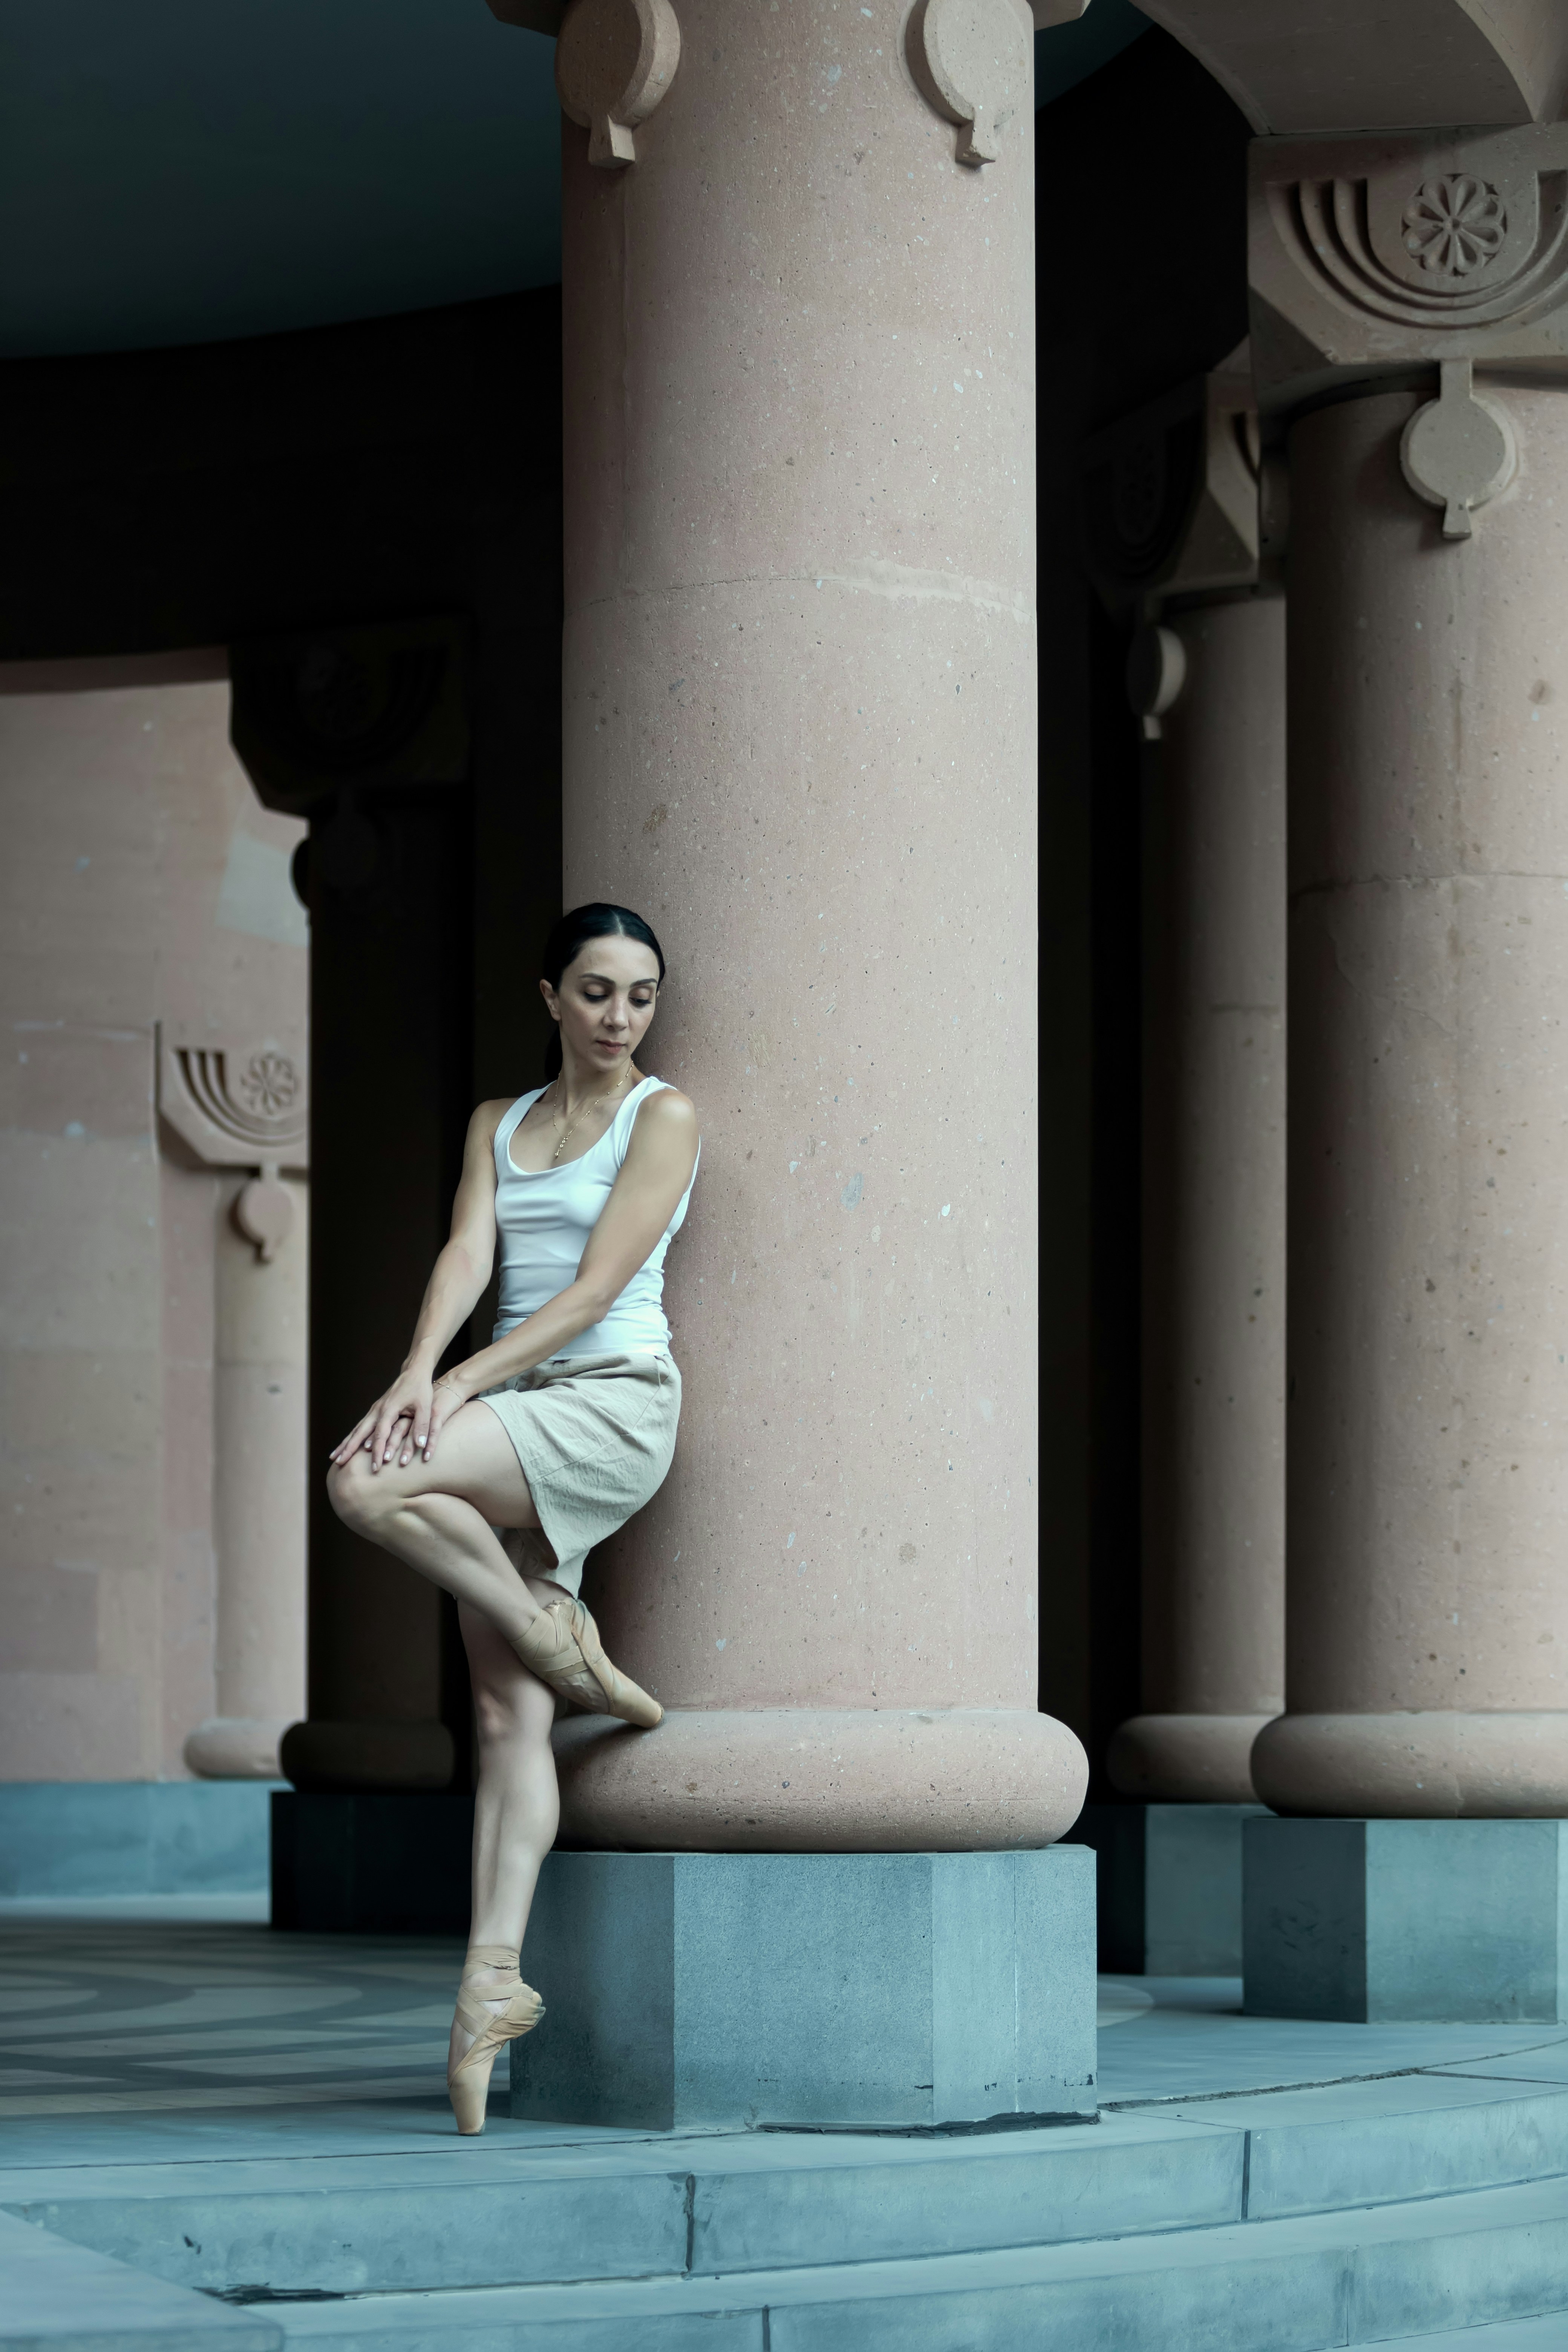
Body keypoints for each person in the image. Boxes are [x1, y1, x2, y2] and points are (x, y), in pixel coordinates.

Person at [325, 902, 700, 2134]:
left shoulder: (664, 1117)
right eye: (596, 992)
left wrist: (451, 1391)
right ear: (549, 996)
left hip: (607, 1403)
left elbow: (598, 1290)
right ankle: (491, 1981)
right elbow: (464, 1261)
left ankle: (555, 1632)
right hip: (505, 1400)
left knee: (364, 1484)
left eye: (641, 996)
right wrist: (413, 1371)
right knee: (504, 1718)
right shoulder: (500, 1123)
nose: (620, 1018)